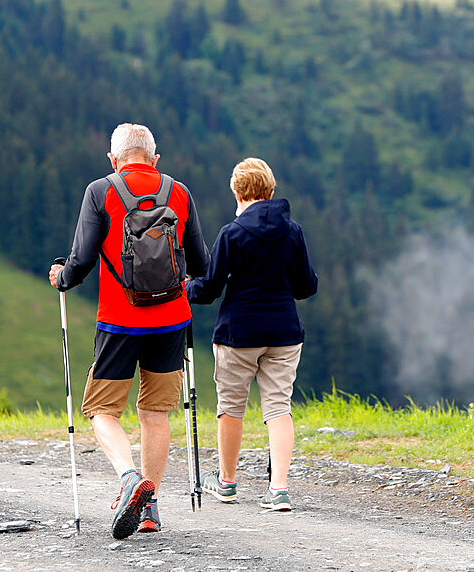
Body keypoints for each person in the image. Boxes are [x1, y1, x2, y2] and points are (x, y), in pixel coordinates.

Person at [48, 123, 210, 539]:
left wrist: (61, 278)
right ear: (154, 159)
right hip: (172, 320)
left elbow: (81, 261)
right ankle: (150, 506)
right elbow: (202, 264)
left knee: (101, 411)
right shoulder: (179, 191)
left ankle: (127, 478)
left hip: (120, 321)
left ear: (114, 159)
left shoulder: (100, 191)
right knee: (155, 413)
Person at [186, 157, 318, 511]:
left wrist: (186, 288)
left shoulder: (232, 233)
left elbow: (210, 288)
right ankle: (279, 489)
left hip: (238, 332)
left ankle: (227, 482)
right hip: (284, 332)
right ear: (271, 191)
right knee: (278, 407)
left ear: (237, 192)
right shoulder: (293, 231)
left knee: (231, 408)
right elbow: (306, 286)